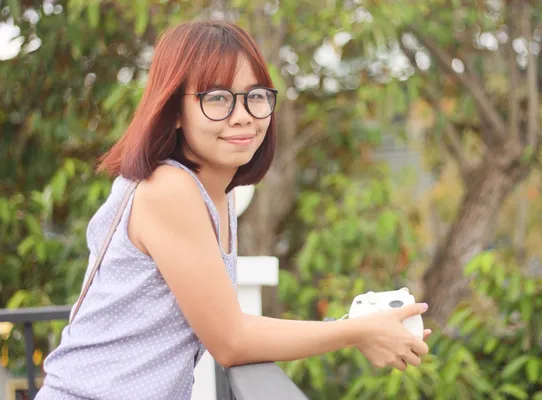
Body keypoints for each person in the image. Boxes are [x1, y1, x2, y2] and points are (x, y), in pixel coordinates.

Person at [35, 19, 432, 400]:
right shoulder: (168, 189)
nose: (242, 115)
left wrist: (353, 325)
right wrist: (356, 332)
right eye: (217, 98)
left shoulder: (215, 194)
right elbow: (230, 341)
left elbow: (229, 325)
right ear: (173, 110)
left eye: (255, 96)